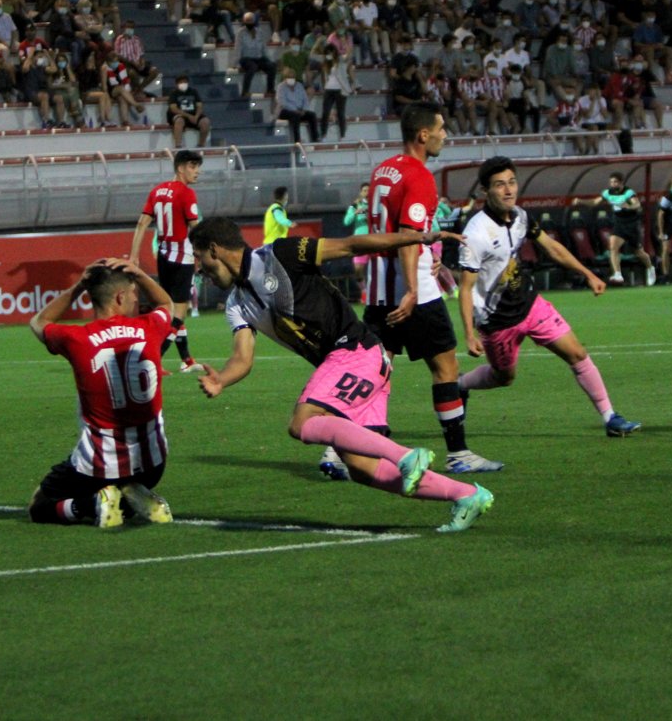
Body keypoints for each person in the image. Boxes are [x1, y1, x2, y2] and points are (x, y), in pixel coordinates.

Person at [189, 217, 494, 533]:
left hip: (354, 351)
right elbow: (242, 357)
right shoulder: (236, 304)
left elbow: (351, 245)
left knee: (302, 422)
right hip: (365, 362)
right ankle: (467, 495)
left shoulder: (279, 254)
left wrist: (417, 238)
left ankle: (406, 456)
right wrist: (222, 379)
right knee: (361, 468)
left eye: (199, 257)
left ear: (215, 250)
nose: (199, 269)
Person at [363, 102, 504, 474]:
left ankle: (344, 448)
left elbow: (396, 230)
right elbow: (408, 236)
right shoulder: (420, 176)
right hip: (415, 292)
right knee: (446, 367)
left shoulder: (383, 170)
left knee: (376, 371)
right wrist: (412, 288)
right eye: (441, 128)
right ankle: (458, 453)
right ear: (423, 135)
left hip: (378, 288)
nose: (446, 134)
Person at [458, 156, 641, 437]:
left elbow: (551, 247)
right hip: (498, 320)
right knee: (503, 377)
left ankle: (610, 418)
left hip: (532, 304)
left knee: (577, 353)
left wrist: (588, 274)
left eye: (512, 182)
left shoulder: (520, 216)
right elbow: (466, 287)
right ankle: (461, 385)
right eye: (499, 185)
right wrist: (469, 334)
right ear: (485, 191)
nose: (508, 190)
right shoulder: (475, 234)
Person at [26, 259, 176, 528]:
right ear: (119, 297)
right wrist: (139, 273)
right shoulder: (148, 328)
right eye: (133, 294)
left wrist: (79, 287)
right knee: (126, 477)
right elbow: (167, 305)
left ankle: (92, 504)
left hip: (98, 466)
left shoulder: (77, 338)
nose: (136, 299)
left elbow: (39, 322)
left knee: (40, 505)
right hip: (153, 464)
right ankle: (131, 497)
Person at [129, 150, 205, 375]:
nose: (196, 171)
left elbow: (142, 223)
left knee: (171, 308)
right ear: (181, 168)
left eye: (197, 166)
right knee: (177, 313)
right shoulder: (187, 193)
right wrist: (202, 255)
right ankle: (153, 359)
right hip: (182, 257)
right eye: (192, 166)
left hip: (164, 256)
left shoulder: (157, 191)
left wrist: (134, 255)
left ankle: (186, 360)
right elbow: (194, 228)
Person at [573, 172, 657, 286]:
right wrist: (581, 201)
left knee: (638, 252)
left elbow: (637, 205)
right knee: (613, 247)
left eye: (615, 182)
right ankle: (618, 274)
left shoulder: (628, 192)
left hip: (631, 225)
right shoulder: (607, 193)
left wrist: (628, 206)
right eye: (611, 182)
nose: (613, 184)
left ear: (621, 182)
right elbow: (594, 202)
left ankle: (650, 268)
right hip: (619, 224)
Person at [167, 75, 210, 147]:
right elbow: (173, 108)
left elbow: (199, 106)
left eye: (185, 82)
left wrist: (196, 116)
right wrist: (189, 116)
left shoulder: (193, 92)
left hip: (194, 114)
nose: (183, 84)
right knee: (179, 121)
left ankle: (201, 145)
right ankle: (178, 145)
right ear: (177, 84)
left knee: (205, 122)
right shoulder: (174, 93)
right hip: (181, 115)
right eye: (181, 82)